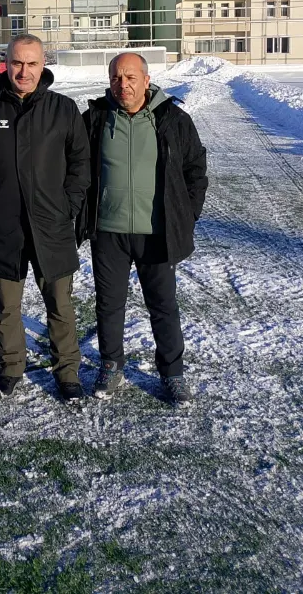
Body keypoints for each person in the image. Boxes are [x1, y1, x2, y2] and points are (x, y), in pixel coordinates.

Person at [0, 34, 91, 401]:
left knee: (60, 306)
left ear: (42, 65)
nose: (24, 71)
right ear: (6, 63)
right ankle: (11, 367)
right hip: (6, 226)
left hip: (52, 226)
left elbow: (80, 163)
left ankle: (67, 372)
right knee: (7, 306)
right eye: (17, 63)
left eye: (32, 64)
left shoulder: (63, 109)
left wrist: (68, 206)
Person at [79, 52, 208, 406]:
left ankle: (172, 372)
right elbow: (74, 165)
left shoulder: (173, 120)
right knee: (109, 304)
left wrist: (186, 215)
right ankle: (111, 365)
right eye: (116, 78)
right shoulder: (95, 119)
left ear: (146, 81)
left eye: (131, 77)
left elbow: (195, 170)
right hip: (109, 231)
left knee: (163, 305)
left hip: (157, 233)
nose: (123, 85)